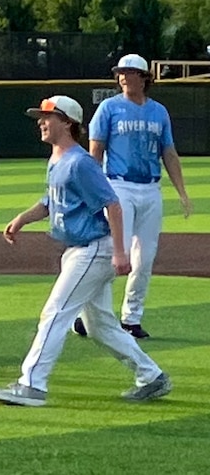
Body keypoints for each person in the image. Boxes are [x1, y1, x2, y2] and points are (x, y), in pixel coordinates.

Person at [0, 95, 172, 407]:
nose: (42, 123)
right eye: (40, 118)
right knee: (100, 326)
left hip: (93, 250)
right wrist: (21, 219)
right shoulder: (58, 159)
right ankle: (151, 376)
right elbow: (51, 202)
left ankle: (31, 384)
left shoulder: (80, 163)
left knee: (55, 312)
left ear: (68, 123)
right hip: (79, 250)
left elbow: (112, 204)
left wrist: (120, 252)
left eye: (48, 117)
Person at [74, 54, 192, 339]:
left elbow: (169, 153)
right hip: (118, 186)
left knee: (145, 258)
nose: (124, 77)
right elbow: (95, 151)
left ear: (144, 78)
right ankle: (85, 313)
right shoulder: (109, 108)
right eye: (121, 73)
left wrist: (182, 192)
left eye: (130, 72)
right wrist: (95, 191)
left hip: (151, 188)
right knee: (114, 254)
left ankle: (131, 318)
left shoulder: (158, 112)